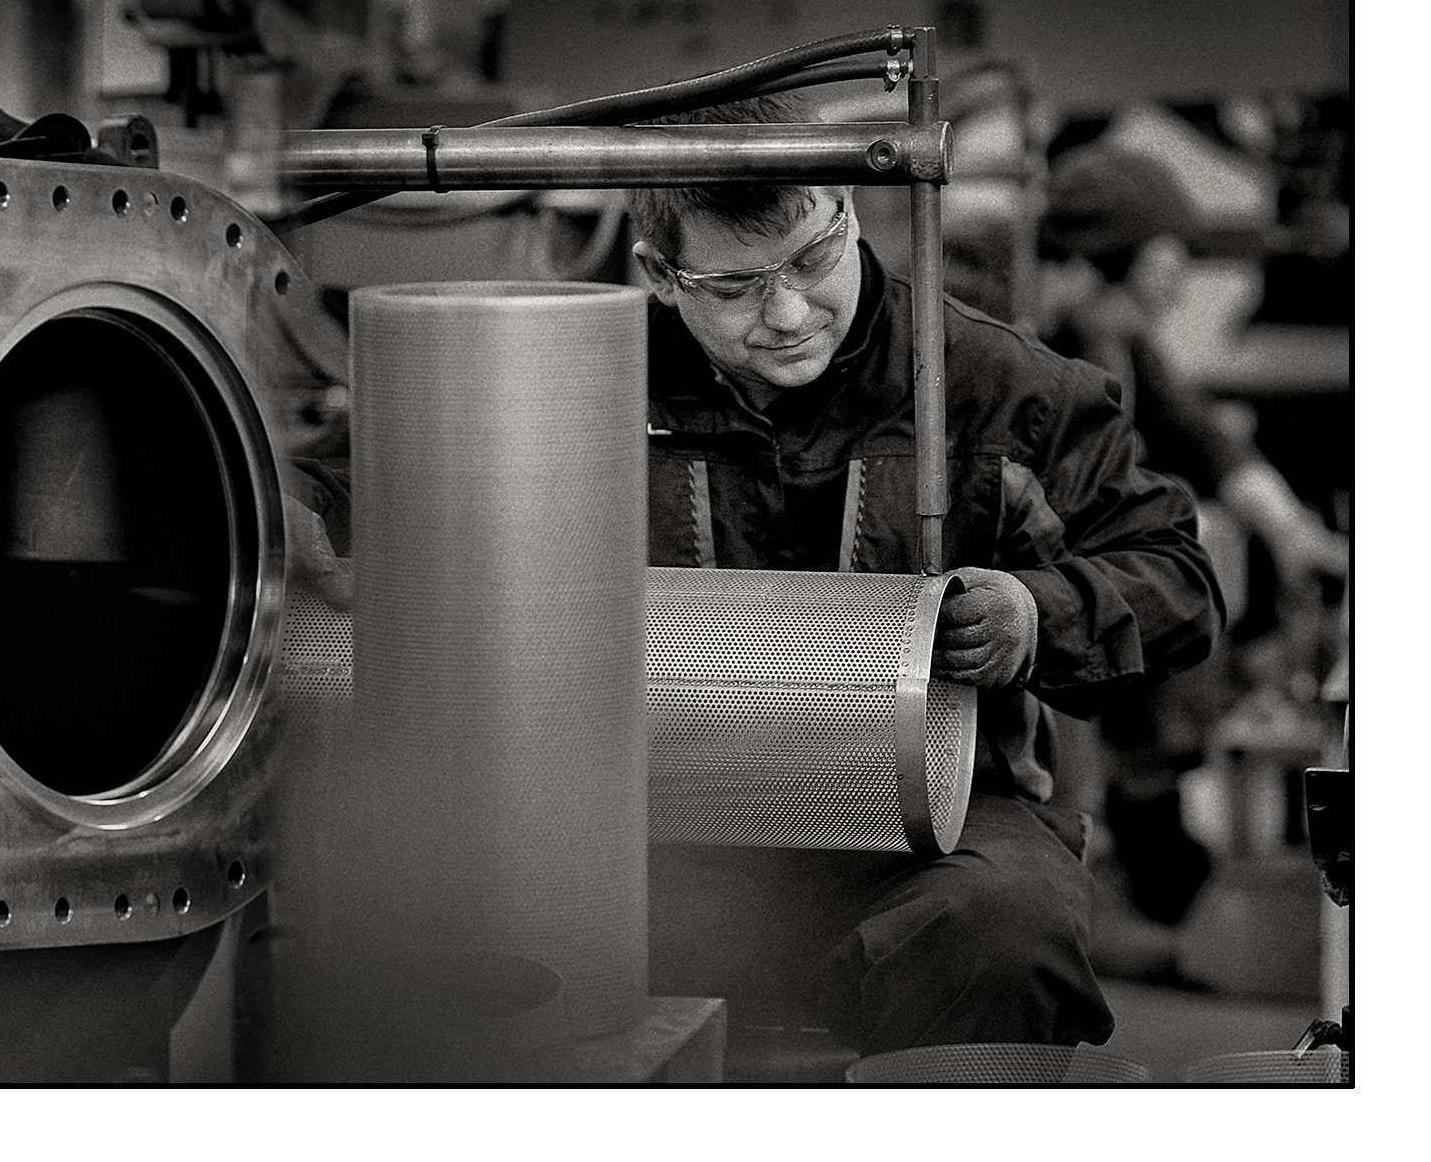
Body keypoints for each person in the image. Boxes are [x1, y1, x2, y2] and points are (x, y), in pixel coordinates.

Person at [294, 95, 1219, 1064]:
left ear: (845, 210)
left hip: (930, 838)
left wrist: (1038, 613)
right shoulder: (576, 373)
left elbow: (1173, 576)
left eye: (809, 260)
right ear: (657, 275)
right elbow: (333, 477)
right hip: (638, 829)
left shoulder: (996, 392)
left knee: (1006, 928)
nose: (783, 314)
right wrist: (287, 505)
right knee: (441, 924)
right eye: (731, 287)